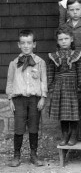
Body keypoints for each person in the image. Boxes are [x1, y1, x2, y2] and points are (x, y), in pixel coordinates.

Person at [6, 30, 47, 167]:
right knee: (19, 127)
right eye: (23, 43)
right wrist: (10, 99)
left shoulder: (40, 62)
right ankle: (16, 156)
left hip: (35, 99)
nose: (26, 46)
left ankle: (33, 155)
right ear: (18, 45)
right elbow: (10, 81)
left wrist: (43, 97)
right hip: (19, 100)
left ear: (34, 44)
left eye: (29, 43)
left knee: (34, 127)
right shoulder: (14, 63)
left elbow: (43, 81)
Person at [47, 27, 81, 147]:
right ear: (57, 41)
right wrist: (51, 87)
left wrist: (80, 86)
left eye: (66, 38)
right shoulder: (53, 56)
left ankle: (74, 135)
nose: (64, 41)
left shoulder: (77, 54)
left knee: (73, 112)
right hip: (59, 86)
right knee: (63, 113)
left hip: (73, 86)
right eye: (61, 39)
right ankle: (65, 135)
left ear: (71, 39)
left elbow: (80, 72)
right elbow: (50, 73)